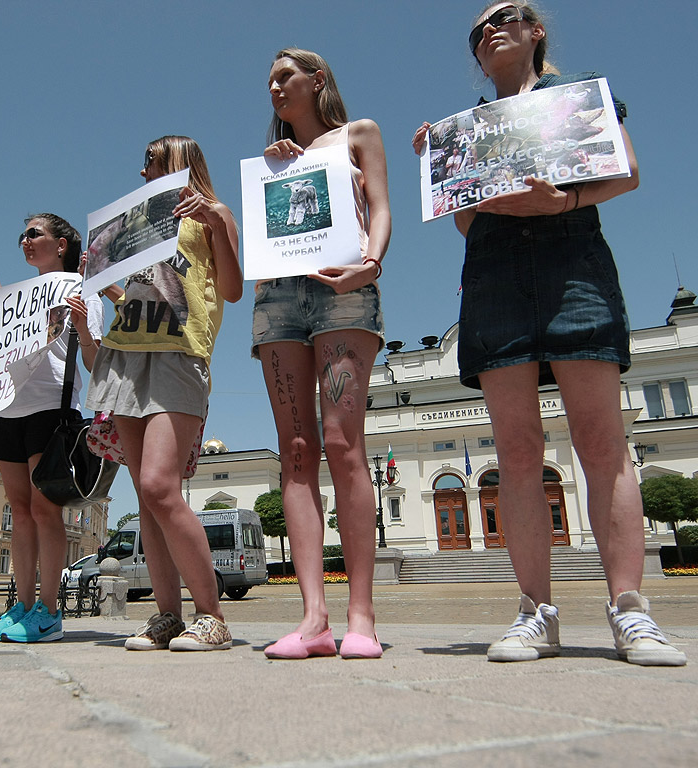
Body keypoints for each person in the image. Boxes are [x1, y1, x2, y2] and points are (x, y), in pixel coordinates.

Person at [412, 3, 685, 666]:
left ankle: (630, 609)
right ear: (477, 55)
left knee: (600, 440)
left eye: (506, 17)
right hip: (496, 272)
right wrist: (442, 170)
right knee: (517, 448)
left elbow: (627, 173)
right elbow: (466, 226)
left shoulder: (576, 94)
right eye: (478, 30)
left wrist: (561, 200)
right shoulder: (467, 126)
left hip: (572, 259)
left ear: (535, 31)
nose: (490, 30)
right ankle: (537, 611)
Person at [253, 49, 391, 660]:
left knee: (342, 441)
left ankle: (361, 613)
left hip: (344, 289)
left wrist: (372, 262)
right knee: (297, 448)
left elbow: (381, 208)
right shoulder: (269, 161)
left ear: (319, 78)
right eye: (270, 82)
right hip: (278, 296)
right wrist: (276, 172)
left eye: (286, 76)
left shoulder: (359, 134)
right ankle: (313, 618)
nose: (276, 87)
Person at [86, 135, 243, 651]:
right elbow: (133, 289)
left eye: (150, 162)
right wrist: (99, 271)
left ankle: (211, 615)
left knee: (159, 486)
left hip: (180, 351)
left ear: (179, 160)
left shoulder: (212, 215)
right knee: (144, 496)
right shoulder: (135, 224)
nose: (142, 173)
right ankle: (168, 616)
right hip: (125, 350)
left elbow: (232, 288)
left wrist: (218, 221)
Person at [0, 214, 104, 643]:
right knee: (19, 510)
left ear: (63, 245)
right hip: (8, 410)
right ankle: (24, 606)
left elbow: (94, 363)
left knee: (44, 508)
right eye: (23, 236)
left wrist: (84, 327)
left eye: (35, 234)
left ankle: (50, 612)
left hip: (52, 406)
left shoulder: (83, 291)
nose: (25, 241)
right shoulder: (18, 297)